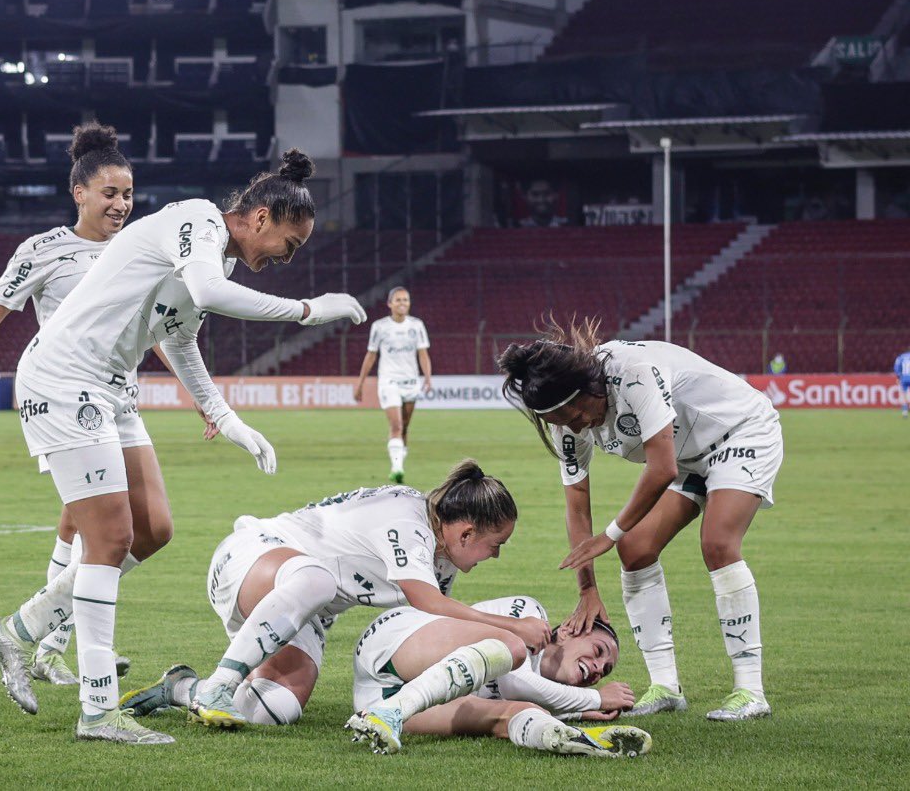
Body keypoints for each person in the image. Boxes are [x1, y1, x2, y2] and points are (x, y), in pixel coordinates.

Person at [0, 148, 367, 745]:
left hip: (109, 386)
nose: (283, 260)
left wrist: (225, 417)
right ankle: (99, 710)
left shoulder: (220, 260)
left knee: (154, 528)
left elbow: (180, 339)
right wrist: (309, 312)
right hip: (64, 378)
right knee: (109, 540)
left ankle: (20, 628)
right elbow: (207, 292)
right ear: (259, 217)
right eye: (287, 245)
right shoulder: (199, 221)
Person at [0, 123, 209, 686]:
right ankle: (54, 647)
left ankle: (40, 634)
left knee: (144, 527)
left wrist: (200, 397)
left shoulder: (145, 252)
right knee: (92, 529)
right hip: (67, 395)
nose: (122, 204)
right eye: (110, 193)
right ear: (79, 192)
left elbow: (161, 332)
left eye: (129, 194)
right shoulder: (43, 250)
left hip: (121, 400)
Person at [119, 461, 551, 734]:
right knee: (318, 579)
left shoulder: (442, 560)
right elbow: (424, 602)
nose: (495, 555)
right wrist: (514, 627)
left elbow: (427, 625)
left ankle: (181, 688)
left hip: (299, 610)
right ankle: (219, 685)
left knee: (274, 709)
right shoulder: (407, 520)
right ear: (466, 532)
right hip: (253, 559)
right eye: (496, 544)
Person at [498, 319, 784, 721]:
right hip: (690, 456)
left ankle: (750, 690)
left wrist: (610, 534)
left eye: (574, 413)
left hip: (740, 433)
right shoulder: (569, 421)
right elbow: (577, 502)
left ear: (588, 389)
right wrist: (587, 590)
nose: (575, 425)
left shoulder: (632, 372)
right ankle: (665, 686)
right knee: (636, 549)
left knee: (718, 543)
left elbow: (661, 468)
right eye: (559, 421)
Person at [345, 593, 647, 757]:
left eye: (604, 671)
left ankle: (579, 743)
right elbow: (515, 680)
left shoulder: (553, 696)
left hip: (375, 698)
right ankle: (391, 714)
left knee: (520, 713)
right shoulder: (530, 612)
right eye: (598, 652)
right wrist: (593, 698)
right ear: (569, 630)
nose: (597, 669)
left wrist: (574, 714)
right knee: (510, 648)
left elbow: (523, 693)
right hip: (392, 641)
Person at [354, 287, 432, 483]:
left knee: (405, 426)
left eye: (405, 300)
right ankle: (396, 467)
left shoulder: (417, 326)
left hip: (411, 381)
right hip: (389, 381)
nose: (402, 303)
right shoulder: (380, 327)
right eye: (398, 300)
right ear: (390, 304)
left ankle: (399, 462)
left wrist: (428, 378)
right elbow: (371, 355)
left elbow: (423, 354)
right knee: (396, 424)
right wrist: (360, 383)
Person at [895, 349, 910, 418]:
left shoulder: (901, 357)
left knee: (903, 394)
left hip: (904, 378)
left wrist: (898, 377)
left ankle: (904, 411)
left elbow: (897, 367)